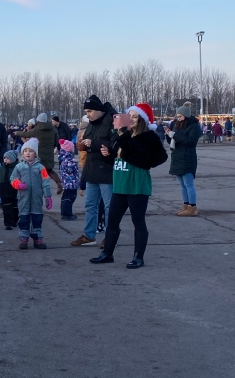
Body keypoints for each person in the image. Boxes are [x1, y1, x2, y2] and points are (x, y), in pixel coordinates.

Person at [90, 103, 167, 268]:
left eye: (134, 116)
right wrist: (108, 155)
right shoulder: (125, 137)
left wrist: (123, 137)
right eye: (129, 115)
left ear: (142, 119)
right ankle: (107, 253)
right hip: (120, 185)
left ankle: (138, 257)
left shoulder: (148, 137)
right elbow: (120, 158)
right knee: (112, 221)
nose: (130, 119)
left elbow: (145, 158)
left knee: (137, 221)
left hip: (137, 186)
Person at [72, 95, 116, 247]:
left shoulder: (112, 121)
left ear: (99, 110)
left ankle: (110, 237)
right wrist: (83, 146)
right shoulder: (90, 124)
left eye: (90, 111)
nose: (87, 114)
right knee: (90, 205)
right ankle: (89, 235)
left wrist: (94, 143)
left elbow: (116, 143)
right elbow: (88, 142)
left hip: (107, 171)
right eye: (86, 111)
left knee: (110, 206)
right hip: (91, 169)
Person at [12, 138, 53, 249]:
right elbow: (13, 178)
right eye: (25, 151)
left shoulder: (41, 167)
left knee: (37, 217)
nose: (28, 153)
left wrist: (48, 195)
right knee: (24, 217)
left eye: (30, 151)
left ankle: (37, 239)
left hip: (36, 197)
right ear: (22, 153)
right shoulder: (19, 167)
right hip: (23, 197)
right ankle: (24, 239)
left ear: (35, 153)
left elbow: (46, 182)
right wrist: (18, 184)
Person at [165, 105, 201, 216]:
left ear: (185, 115)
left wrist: (174, 135)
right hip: (177, 157)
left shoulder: (194, 126)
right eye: (178, 116)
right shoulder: (177, 125)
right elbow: (172, 139)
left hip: (187, 157)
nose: (178, 118)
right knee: (182, 185)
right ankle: (186, 205)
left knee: (188, 184)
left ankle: (192, 207)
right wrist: (168, 134)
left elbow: (190, 141)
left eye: (180, 116)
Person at [15, 112, 63, 193]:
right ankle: (59, 183)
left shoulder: (37, 129)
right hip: (49, 153)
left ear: (38, 121)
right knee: (49, 170)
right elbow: (56, 141)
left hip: (39, 153)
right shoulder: (53, 129)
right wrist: (51, 147)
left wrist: (17, 133)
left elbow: (27, 134)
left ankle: (38, 189)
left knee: (37, 171)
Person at [0, 150, 20, 230]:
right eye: (4, 158)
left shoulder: (17, 168)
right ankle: (7, 223)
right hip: (4, 189)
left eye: (8, 158)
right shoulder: (0, 169)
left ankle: (14, 220)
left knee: (14, 206)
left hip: (14, 189)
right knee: (6, 207)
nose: (5, 159)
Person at [58, 139, 79, 220]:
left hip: (66, 182)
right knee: (70, 197)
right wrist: (74, 163)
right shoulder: (69, 158)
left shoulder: (63, 157)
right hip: (71, 182)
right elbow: (69, 169)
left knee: (65, 197)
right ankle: (67, 214)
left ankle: (64, 212)